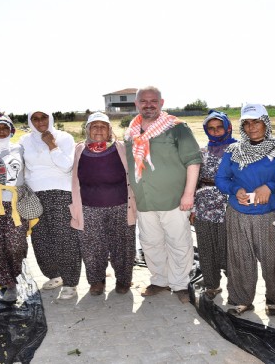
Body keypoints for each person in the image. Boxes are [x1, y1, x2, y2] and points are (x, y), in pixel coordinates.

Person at [124, 86, 202, 303]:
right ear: (136, 104)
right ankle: (159, 280)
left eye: (153, 101)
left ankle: (180, 284)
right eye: (143, 101)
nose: (148, 105)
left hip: (174, 200)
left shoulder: (177, 128)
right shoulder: (131, 132)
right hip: (144, 200)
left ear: (162, 102)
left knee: (179, 242)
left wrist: (189, 194)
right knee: (150, 243)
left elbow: (193, 161)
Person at [216, 103, 275, 316]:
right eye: (246, 123)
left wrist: (270, 187)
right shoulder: (233, 151)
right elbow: (221, 178)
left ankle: (274, 300)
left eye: (256, 122)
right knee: (240, 258)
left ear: (265, 122)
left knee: (273, 259)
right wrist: (235, 189)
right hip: (238, 213)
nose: (251, 127)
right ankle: (242, 299)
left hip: (269, 214)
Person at [70, 112, 136, 296]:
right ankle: (96, 281)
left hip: (121, 205)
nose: (99, 129)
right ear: (88, 130)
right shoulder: (79, 149)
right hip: (88, 207)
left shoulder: (121, 148)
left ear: (109, 130)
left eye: (103, 126)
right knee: (91, 247)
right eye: (94, 126)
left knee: (123, 245)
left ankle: (123, 280)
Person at [0, 109, 42, 303]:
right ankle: (9, 284)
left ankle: (12, 275)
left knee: (16, 246)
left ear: (11, 130)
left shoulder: (19, 149)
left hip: (17, 204)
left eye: (4, 128)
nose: (0, 131)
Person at [20, 110, 80, 300]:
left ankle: (70, 282)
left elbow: (66, 166)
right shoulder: (24, 141)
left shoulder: (64, 137)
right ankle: (54, 275)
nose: (40, 122)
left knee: (64, 237)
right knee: (41, 238)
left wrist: (51, 144)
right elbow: (16, 164)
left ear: (50, 118)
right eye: (35, 119)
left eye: (43, 117)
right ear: (30, 121)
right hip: (34, 195)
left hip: (61, 192)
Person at [190, 110, 236, 299]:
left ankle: (236, 288)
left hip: (228, 205)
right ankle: (212, 285)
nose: (216, 132)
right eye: (211, 128)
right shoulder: (202, 151)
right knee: (206, 247)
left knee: (229, 248)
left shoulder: (238, 150)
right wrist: (192, 207)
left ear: (228, 128)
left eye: (219, 128)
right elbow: (194, 181)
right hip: (203, 205)